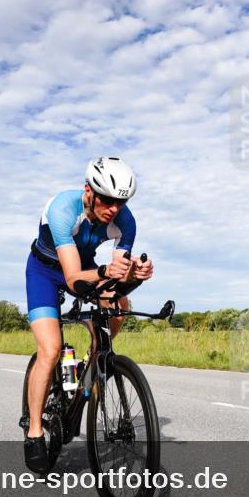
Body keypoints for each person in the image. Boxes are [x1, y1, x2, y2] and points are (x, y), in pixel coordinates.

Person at [23, 156, 154, 473]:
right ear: (89, 191)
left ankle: (94, 361)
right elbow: (72, 279)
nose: (114, 208)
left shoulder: (125, 222)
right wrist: (108, 271)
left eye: (120, 202)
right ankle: (35, 431)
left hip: (87, 269)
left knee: (119, 307)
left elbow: (117, 279)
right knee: (51, 350)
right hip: (46, 273)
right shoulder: (62, 209)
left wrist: (135, 273)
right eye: (108, 200)